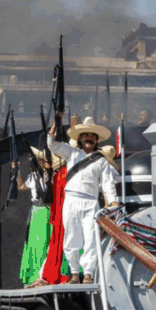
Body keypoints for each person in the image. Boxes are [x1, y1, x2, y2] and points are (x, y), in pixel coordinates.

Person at [47, 115, 120, 284]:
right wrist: (55, 123)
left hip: (91, 203)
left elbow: (107, 183)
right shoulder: (71, 153)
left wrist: (113, 201)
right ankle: (74, 274)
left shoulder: (101, 160)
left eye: (93, 136)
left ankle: (88, 273)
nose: (89, 138)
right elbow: (52, 144)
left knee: (91, 238)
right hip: (71, 200)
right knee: (71, 237)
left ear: (96, 140)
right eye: (86, 135)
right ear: (80, 138)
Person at [15, 147, 58, 286]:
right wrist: (17, 171)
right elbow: (21, 187)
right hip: (37, 211)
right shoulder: (34, 176)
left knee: (49, 243)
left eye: (45, 160)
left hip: (50, 210)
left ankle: (47, 275)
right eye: (41, 160)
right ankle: (34, 276)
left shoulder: (54, 175)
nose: (43, 162)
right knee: (36, 244)